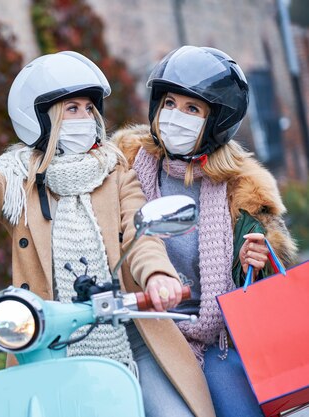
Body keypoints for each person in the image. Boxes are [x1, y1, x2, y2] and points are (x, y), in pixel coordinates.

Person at [0, 50, 217, 416]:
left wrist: (156, 276)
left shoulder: (117, 174)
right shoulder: (20, 187)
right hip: (49, 348)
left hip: (134, 338)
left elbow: (138, 236)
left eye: (89, 109)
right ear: (42, 120)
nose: (85, 117)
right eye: (72, 109)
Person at [112, 45, 298, 417]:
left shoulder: (241, 186)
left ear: (216, 121)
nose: (175, 117)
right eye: (169, 104)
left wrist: (252, 259)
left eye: (192, 109)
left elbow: (266, 283)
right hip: (149, 332)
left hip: (219, 335)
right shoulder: (126, 164)